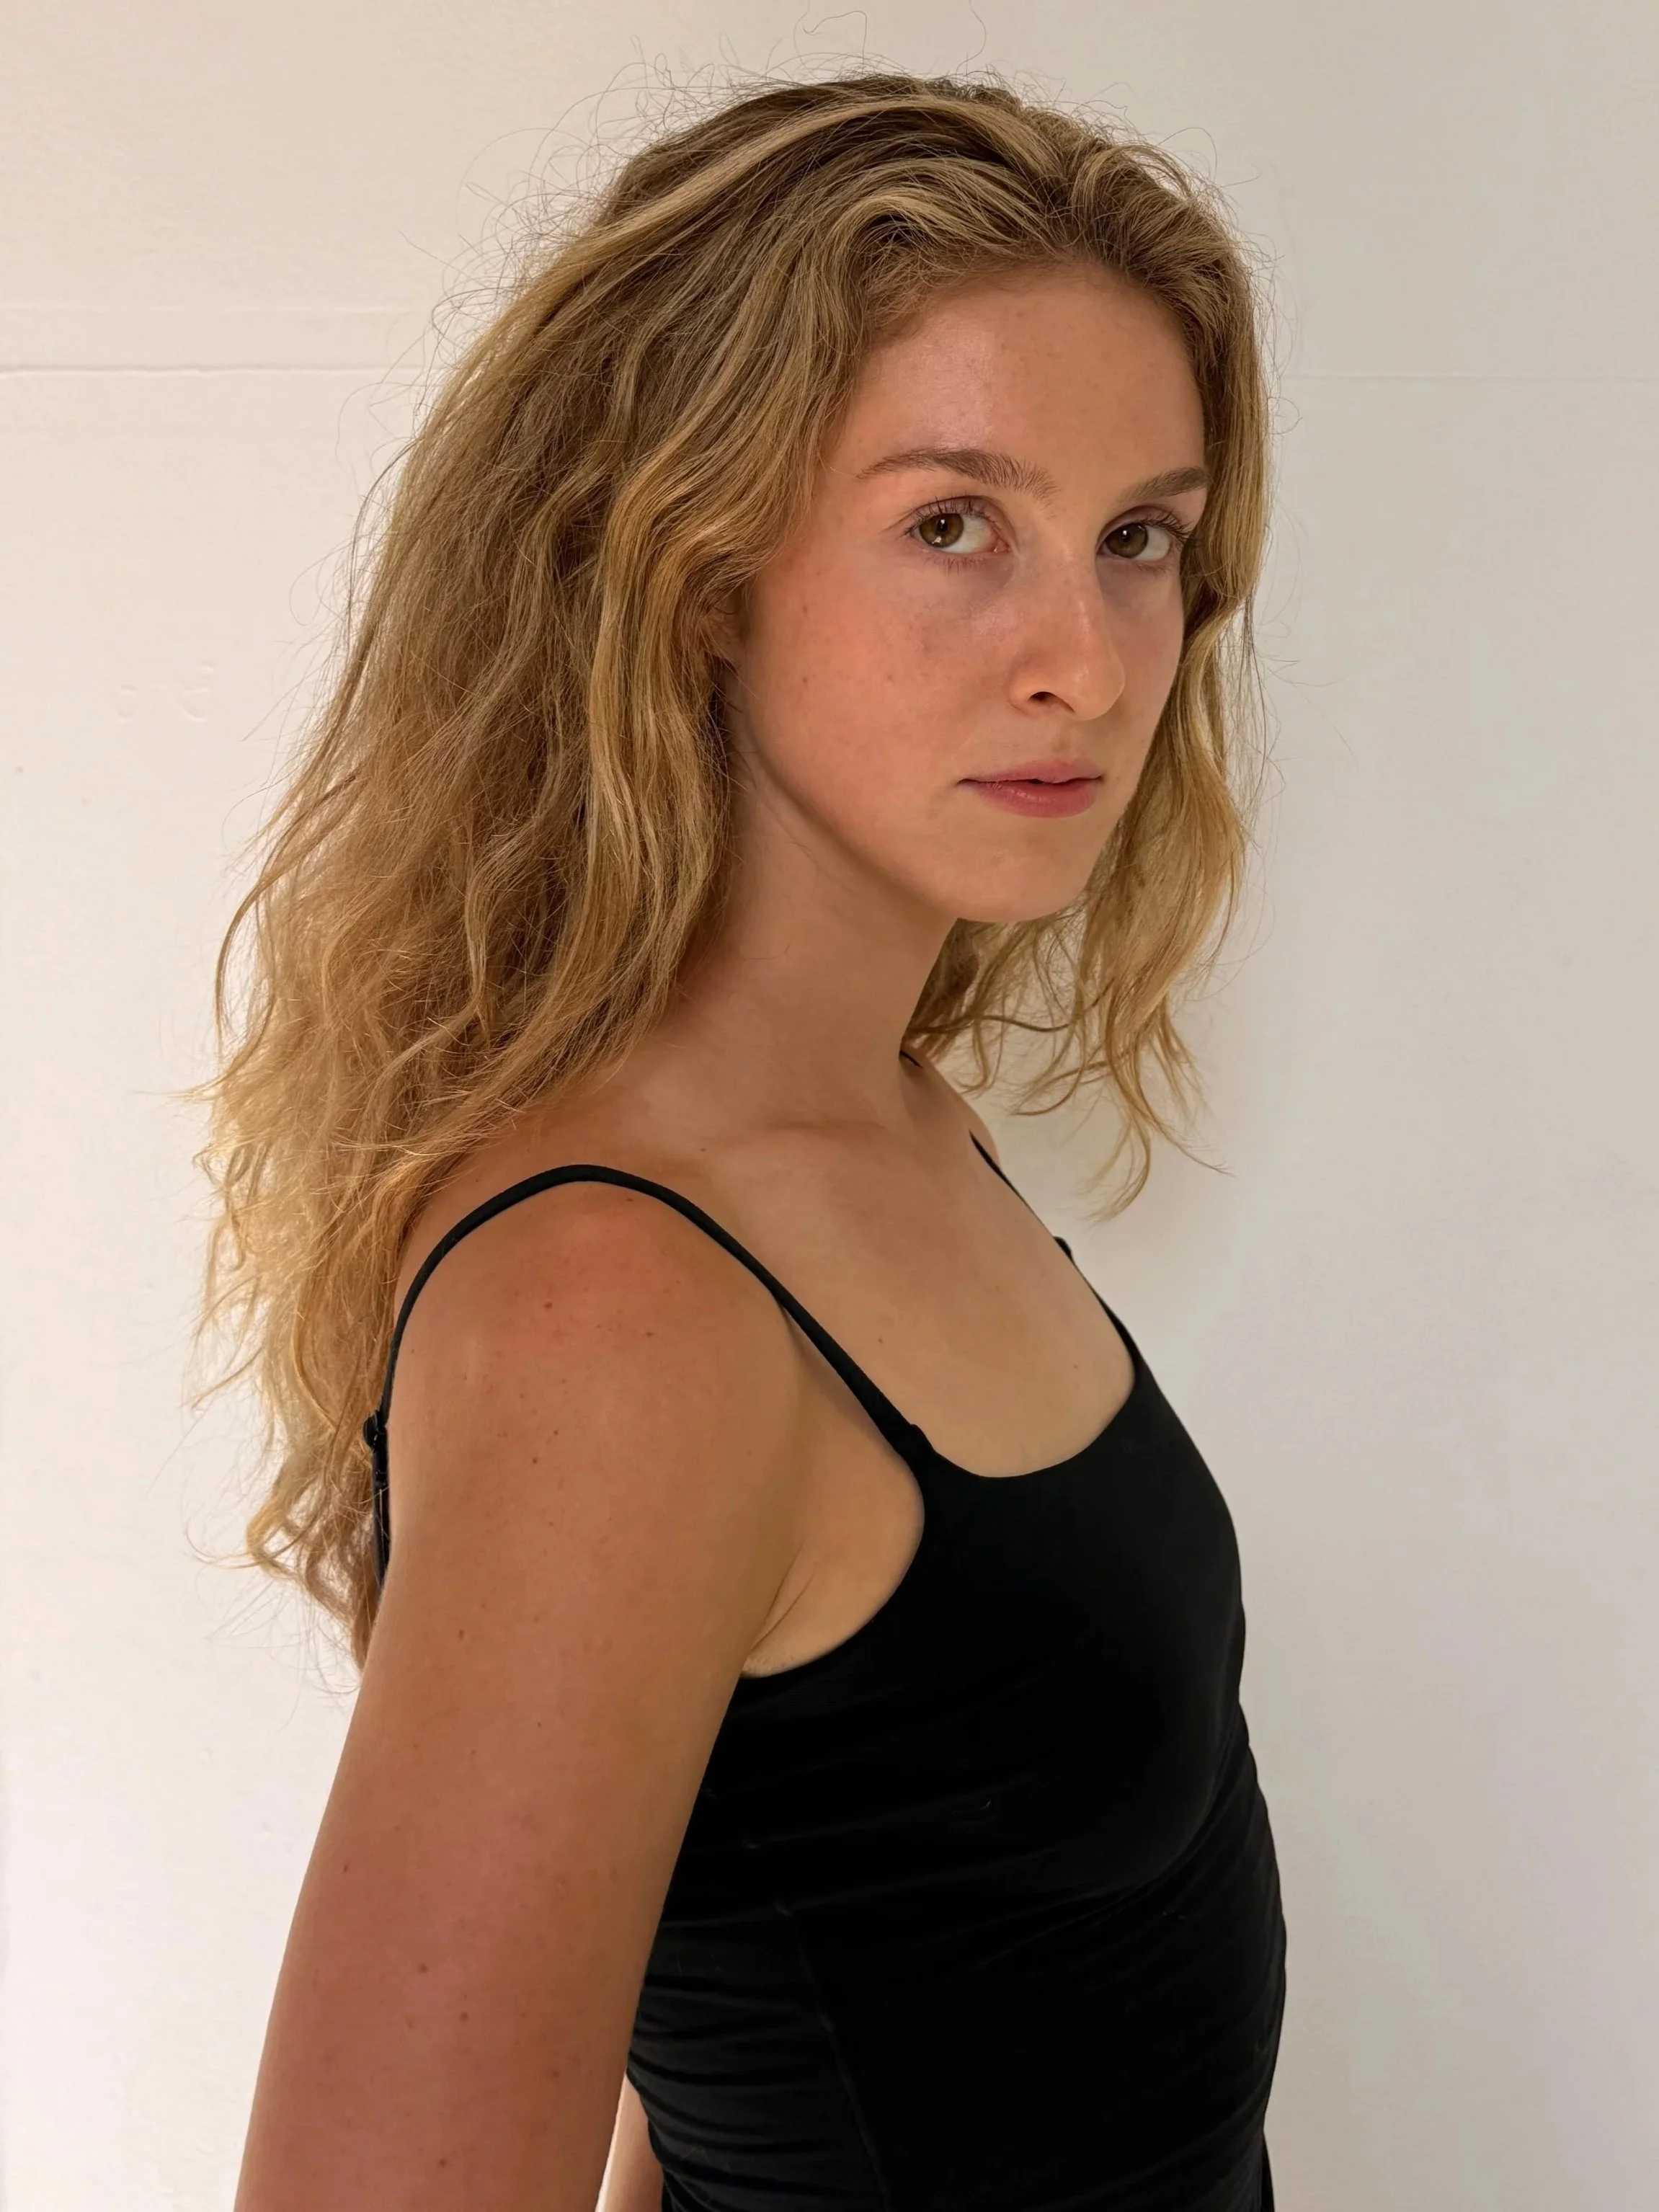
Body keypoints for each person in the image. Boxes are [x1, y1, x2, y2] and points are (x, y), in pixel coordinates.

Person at [202, 70, 1286, 2212]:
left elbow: (729, 2012)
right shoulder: (616, 1302)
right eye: (952, 523)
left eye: (1136, 538)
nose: (1082, 657)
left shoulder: (886, 1116)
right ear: (697, 571)